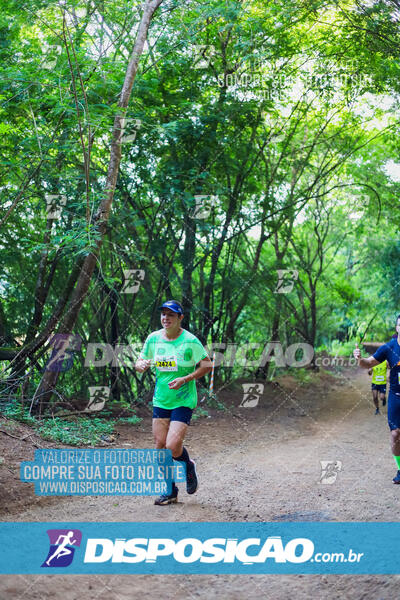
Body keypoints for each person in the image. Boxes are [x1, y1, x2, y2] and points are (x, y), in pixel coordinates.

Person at [135, 300, 212, 505]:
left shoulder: (190, 341)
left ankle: (187, 465)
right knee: (160, 446)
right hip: (161, 399)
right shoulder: (153, 339)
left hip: (183, 399)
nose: (166, 318)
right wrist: (140, 365)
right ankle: (170, 491)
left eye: (171, 315)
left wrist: (186, 379)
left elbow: (207, 365)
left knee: (172, 445)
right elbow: (140, 361)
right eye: (163, 314)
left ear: (180, 318)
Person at [354, 316, 400, 484]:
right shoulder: (389, 348)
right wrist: (359, 358)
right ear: (397, 328)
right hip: (396, 396)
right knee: (395, 435)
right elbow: (368, 363)